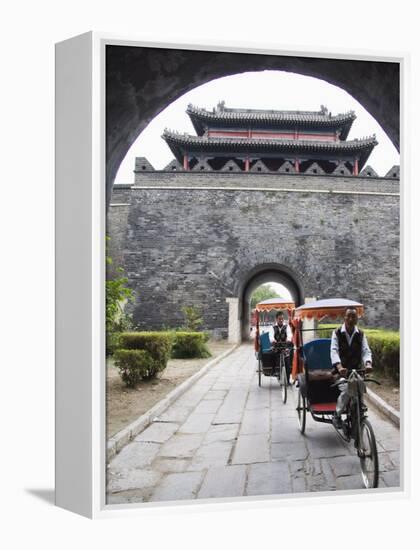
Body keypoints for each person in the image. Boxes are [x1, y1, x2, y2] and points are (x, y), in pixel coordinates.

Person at [330, 307, 373, 428]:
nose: (350, 319)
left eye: (353, 316)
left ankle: (359, 408)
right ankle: (337, 414)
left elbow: (365, 350)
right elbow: (334, 351)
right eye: (348, 316)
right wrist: (339, 367)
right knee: (347, 389)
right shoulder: (337, 333)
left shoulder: (361, 334)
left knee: (359, 387)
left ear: (357, 318)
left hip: (357, 370)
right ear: (344, 317)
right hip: (341, 373)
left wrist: (368, 363)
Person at [269, 311, 293, 384]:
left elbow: (289, 334)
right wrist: (273, 340)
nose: (281, 320)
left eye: (282, 319)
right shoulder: (272, 327)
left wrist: (288, 339)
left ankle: (288, 380)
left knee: (288, 361)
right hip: (276, 346)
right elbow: (271, 336)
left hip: (285, 346)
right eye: (279, 319)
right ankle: (274, 370)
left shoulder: (287, 326)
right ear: (276, 319)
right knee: (272, 353)